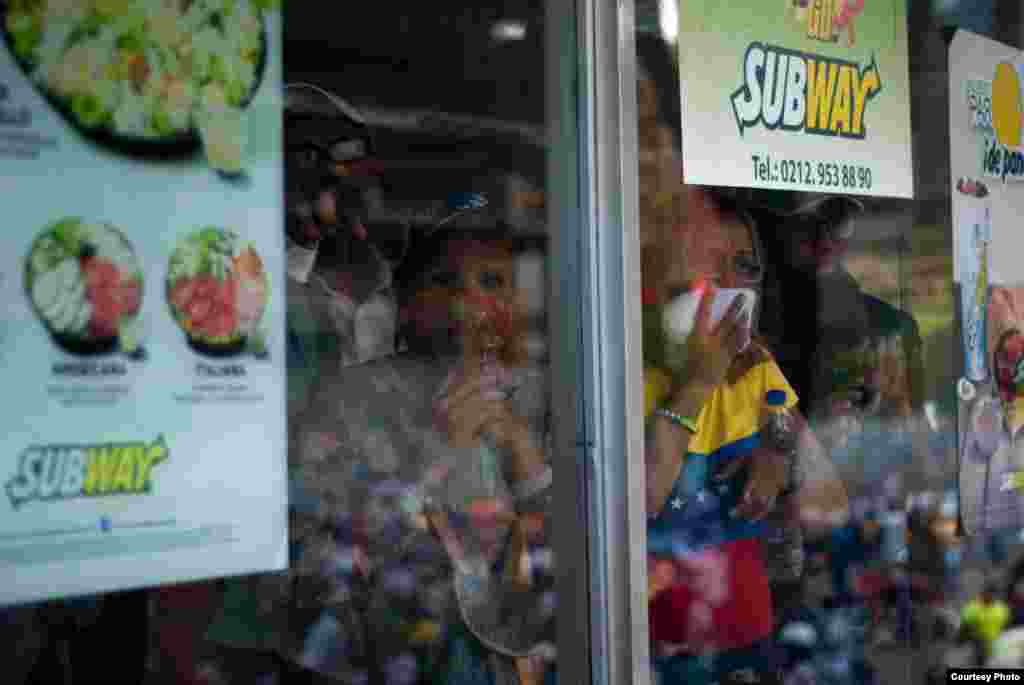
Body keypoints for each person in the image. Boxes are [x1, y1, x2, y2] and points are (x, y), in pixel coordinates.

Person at [280, 222, 554, 685]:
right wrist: (440, 451)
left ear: (512, 306)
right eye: (443, 282)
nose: (466, 303)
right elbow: (320, 552)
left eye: (491, 283)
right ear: (406, 303)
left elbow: (572, 551)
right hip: (392, 652)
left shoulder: (539, 396)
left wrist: (524, 457)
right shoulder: (351, 397)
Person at [641, 188, 848, 684]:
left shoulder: (755, 371)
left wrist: (777, 448)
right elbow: (643, 497)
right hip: (660, 644)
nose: (733, 286)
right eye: (716, 268)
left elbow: (830, 502)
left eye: (747, 269)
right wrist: (705, 376)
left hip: (748, 636)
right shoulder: (635, 377)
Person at [960, 581, 1011, 665]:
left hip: (998, 647)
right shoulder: (972, 607)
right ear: (982, 593)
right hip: (978, 647)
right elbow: (964, 629)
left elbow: (1007, 627)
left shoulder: (1002, 608)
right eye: (987, 592)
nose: (990, 595)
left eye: (992, 593)